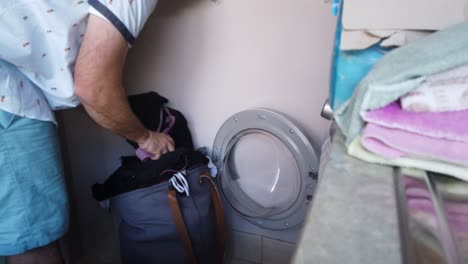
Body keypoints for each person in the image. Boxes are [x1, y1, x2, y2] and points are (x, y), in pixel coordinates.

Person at [0, 1, 174, 263]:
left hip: (13, 89)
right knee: (34, 243)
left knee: (30, 232)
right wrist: (146, 138)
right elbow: (94, 89)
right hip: (8, 102)